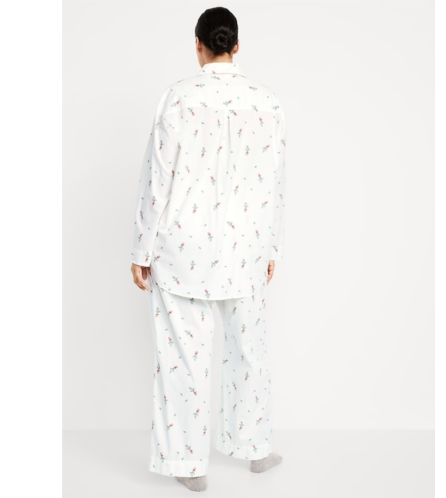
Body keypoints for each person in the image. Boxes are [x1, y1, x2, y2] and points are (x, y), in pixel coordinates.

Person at [130, 6, 286, 493]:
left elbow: (157, 179)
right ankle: (255, 448)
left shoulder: (178, 98)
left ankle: (188, 463)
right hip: (246, 246)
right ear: (236, 46)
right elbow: (275, 181)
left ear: (197, 45)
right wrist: (272, 245)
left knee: (183, 356)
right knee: (249, 349)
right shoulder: (267, 102)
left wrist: (141, 248)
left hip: (183, 247)